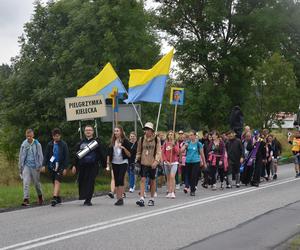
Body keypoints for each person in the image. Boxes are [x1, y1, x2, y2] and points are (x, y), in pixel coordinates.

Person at [72, 125, 106, 206]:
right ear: (84, 132)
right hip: (82, 166)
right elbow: (76, 155)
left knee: (90, 181)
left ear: (93, 132)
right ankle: (84, 196)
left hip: (93, 165)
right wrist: (74, 165)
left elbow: (101, 153)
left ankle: (88, 199)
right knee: (82, 181)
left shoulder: (96, 142)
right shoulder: (80, 143)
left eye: (90, 130)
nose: (88, 131)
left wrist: (104, 165)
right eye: (86, 130)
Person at [136, 122, 161, 207]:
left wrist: (156, 161)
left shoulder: (157, 139)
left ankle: (152, 198)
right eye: (145, 129)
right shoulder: (141, 139)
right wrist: (137, 160)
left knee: (152, 180)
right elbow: (139, 151)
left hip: (152, 163)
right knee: (142, 179)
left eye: (148, 129)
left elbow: (158, 152)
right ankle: (142, 198)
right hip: (143, 162)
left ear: (152, 130)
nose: (146, 131)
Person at [42, 128, 69, 206]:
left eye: (57, 136)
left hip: (60, 165)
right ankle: (58, 197)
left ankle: (54, 198)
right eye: (54, 136)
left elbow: (66, 156)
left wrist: (65, 168)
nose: (56, 137)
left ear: (60, 136)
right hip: (52, 165)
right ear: (52, 136)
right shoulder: (50, 144)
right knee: (54, 182)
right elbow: (46, 155)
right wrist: (44, 165)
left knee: (57, 181)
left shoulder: (63, 144)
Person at [18, 128, 44, 206]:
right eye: (27, 136)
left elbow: (40, 155)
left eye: (30, 136)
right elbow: (21, 156)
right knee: (25, 182)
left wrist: (40, 165)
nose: (28, 137)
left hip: (35, 166)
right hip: (26, 165)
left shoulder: (37, 144)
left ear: (33, 135)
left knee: (36, 183)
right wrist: (20, 166)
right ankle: (26, 199)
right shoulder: (23, 144)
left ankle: (40, 196)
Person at [107, 126, 131, 206]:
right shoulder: (112, 142)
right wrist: (108, 163)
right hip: (114, 162)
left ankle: (121, 198)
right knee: (116, 181)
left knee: (121, 179)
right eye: (115, 131)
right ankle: (118, 199)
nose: (116, 132)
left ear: (121, 132)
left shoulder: (125, 141)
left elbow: (129, 154)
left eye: (117, 131)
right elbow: (109, 153)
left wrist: (123, 148)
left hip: (123, 162)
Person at [181, 130, 206, 196]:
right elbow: (181, 150)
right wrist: (185, 146)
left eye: (192, 135)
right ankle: (188, 186)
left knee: (193, 176)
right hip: (188, 161)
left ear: (195, 136)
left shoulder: (198, 144)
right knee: (188, 175)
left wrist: (204, 163)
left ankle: (192, 190)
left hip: (196, 162)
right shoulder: (187, 142)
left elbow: (202, 154)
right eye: (189, 135)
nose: (190, 136)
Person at [162, 131, 180, 198]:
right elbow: (163, 153)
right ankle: (169, 191)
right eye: (169, 134)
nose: (170, 136)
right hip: (166, 163)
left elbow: (178, 152)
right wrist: (166, 161)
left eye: (171, 135)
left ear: (174, 136)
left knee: (172, 177)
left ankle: (172, 192)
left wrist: (174, 145)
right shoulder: (165, 143)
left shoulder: (176, 143)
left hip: (174, 162)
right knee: (168, 178)